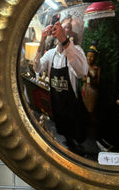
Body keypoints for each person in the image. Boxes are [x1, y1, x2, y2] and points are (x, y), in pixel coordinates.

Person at [33, 17, 89, 150]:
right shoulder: (51, 54)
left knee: (77, 138)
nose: (60, 31)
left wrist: (65, 41)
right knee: (63, 135)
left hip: (72, 106)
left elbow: (82, 72)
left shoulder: (77, 50)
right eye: (58, 28)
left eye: (65, 28)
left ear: (70, 33)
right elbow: (37, 68)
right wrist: (42, 41)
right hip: (57, 105)